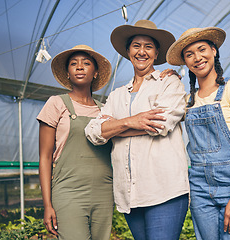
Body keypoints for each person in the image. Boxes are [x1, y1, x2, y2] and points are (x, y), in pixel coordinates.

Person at [85, 20, 189, 240]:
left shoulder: (169, 83)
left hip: (164, 189)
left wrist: (113, 128)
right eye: (136, 46)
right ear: (128, 51)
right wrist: (131, 121)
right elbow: (93, 132)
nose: (142, 52)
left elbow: (159, 124)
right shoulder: (117, 95)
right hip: (129, 194)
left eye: (148, 46)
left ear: (156, 52)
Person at [166, 27, 230, 239]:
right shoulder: (187, 102)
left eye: (202, 49)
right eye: (189, 54)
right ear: (185, 62)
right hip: (200, 189)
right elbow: (160, 114)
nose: (197, 58)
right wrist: (166, 80)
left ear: (213, 51)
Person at [37, 45, 113, 240]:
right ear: (68, 73)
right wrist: (47, 205)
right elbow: (45, 157)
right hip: (68, 192)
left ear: (95, 73)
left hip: (103, 192)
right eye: (73, 64)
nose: (79, 67)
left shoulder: (105, 111)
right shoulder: (56, 103)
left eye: (86, 63)